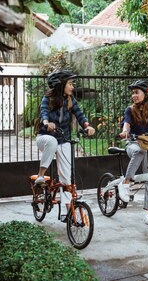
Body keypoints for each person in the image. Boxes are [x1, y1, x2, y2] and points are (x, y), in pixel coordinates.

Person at [34, 70, 95, 209]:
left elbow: (79, 114)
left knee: (67, 176)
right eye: (70, 83)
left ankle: (69, 210)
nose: (72, 87)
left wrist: (87, 126)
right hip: (45, 137)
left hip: (63, 139)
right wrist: (46, 123)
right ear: (61, 85)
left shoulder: (70, 100)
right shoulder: (48, 99)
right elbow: (44, 112)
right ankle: (40, 175)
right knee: (52, 142)